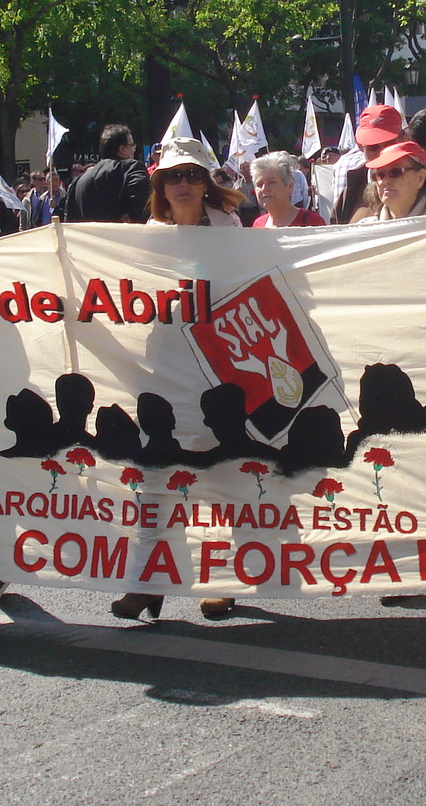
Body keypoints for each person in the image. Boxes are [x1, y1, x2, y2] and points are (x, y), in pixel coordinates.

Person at [115, 138, 246, 622]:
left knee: (224, 476)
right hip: (165, 368)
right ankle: (148, 583)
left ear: (206, 182)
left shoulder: (230, 229)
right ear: (160, 186)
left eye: (192, 174)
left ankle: (226, 580)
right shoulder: (146, 238)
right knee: (156, 475)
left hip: (220, 368)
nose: (183, 184)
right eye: (173, 176)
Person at [353, 140, 426, 222]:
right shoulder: (364, 229)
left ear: (420, 178)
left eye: (395, 172)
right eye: (380, 175)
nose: (385, 181)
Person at [65, 123, 151, 223]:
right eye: (132, 145)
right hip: (124, 232)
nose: (134, 148)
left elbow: (69, 223)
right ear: (122, 149)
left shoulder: (77, 182)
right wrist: (133, 219)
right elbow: (145, 202)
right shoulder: (131, 168)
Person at [250, 151, 325, 228]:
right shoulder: (258, 224)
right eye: (259, 184)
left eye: (271, 182)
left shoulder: (312, 221)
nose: (264, 189)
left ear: (290, 186)